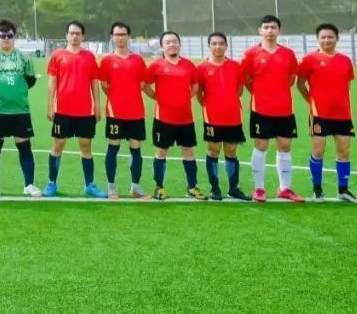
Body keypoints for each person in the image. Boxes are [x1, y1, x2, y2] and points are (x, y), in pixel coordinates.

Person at [240, 15, 303, 203]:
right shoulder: (251, 54)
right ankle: (259, 188)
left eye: (273, 27)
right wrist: (260, 93)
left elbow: (291, 78)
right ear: (260, 30)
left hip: (284, 109)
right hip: (260, 109)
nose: (270, 31)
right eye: (266, 27)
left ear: (279, 30)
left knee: (285, 146)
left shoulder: (288, 54)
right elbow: (246, 79)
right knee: (261, 146)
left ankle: (285, 188)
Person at [297, 23, 357, 203]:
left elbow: (347, 84)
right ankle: (317, 190)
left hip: (342, 114)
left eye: (330, 37)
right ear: (318, 39)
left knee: (344, 151)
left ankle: (343, 190)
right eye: (323, 37)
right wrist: (311, 100)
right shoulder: (309, 60)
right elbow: (300, 84)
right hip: (319, 114)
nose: (327, 40)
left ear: (337, 39)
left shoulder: (345, 60)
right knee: (318, 151)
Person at [0, 19, 39, 198]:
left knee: (24, 147)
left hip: (20, 111)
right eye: (2, 35)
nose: (6, 39)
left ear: (14, 37)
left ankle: (29, 185)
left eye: (9, 36)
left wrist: (15, 92)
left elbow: (31, 80)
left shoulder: (24, 58)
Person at [45, 21, 106, 198]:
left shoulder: (89, 57)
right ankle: (51, 183)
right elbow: (52, 83)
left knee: (86, 146)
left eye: (78, 33)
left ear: (83, 36)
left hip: (85, 112)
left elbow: (94, 83)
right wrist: (50, 105)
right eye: (71, 33)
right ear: (66, 35)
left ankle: (89, 185)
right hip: (62, 111)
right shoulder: (57, 56)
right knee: (58, 145)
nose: (74, 36)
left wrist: (97, 106)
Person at [143, 31, 206, 201]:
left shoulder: (189, 65)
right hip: (163, 118)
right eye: (168, 42)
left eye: (175, 41)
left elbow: (195, 86)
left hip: (186, 118)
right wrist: (156, 96)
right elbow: (145, 84)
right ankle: (159, 187)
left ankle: (192, 187)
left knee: (188, 151)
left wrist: (184, 98)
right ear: (162, 46)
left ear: (179, 44)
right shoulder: (156, 65)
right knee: (161, 151)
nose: (172, 44)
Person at [195, 32, 251, 201]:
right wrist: (211, 106)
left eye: (221, 43)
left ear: (226, 46)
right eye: (214, 43)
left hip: (233, 116)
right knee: (213, 150)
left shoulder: (235, 66)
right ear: (209, 46)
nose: (218, 46)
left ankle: (233, 189)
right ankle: (215, 189)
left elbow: (239, 90)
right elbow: (199, 94)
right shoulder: (201, 68)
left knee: (231, 151)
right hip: (212, 117)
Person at [97, 21, 149, 199]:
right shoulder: (107, 61)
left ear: (129, 37)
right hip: (115, 113)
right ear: (112, 37)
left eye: (123, 34)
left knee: (136, 149)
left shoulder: (138, 60)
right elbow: (104, 85)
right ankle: (111, 187)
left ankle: (135, 187)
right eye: (117, 35)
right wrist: (117, 97)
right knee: (113, 147)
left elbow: (142, 83)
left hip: (136, 112)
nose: (120, 38)